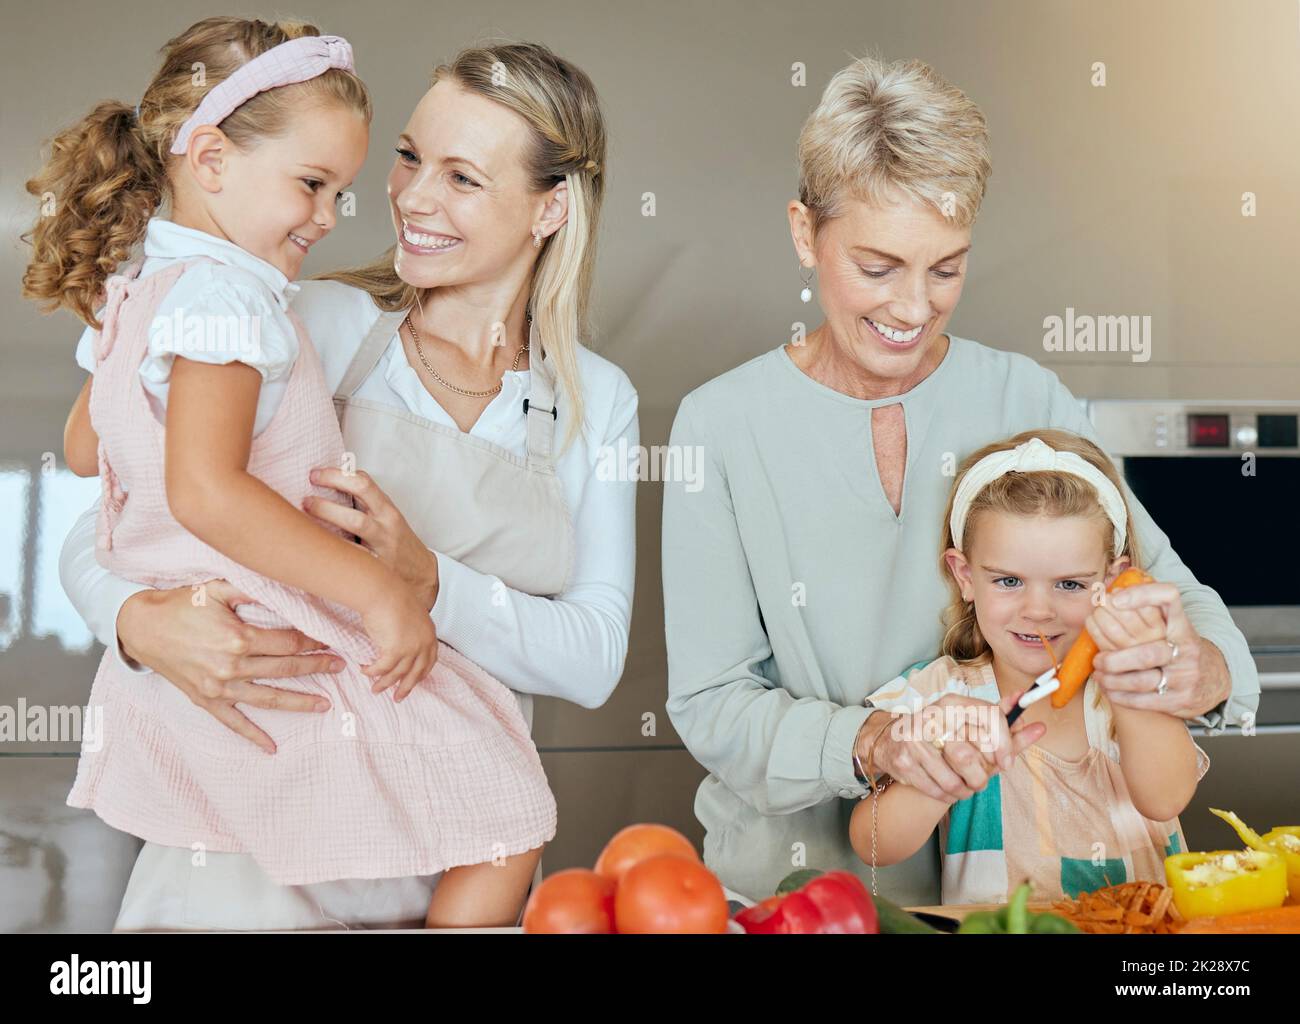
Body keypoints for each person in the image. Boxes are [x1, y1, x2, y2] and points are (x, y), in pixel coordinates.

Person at [48, 26, 636, 930]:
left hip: (438, 848)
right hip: (242, 853)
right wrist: (138, 625)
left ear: (549, 208)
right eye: (408, 159)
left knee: (509, 829)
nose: (411, 198)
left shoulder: (595, 401)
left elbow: (594, 660)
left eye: (463, 177)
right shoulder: (303, 314)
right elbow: (120, 506)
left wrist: (427, 586)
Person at [661, 55, 1258, 906]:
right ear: (805, 232)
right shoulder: (719, 425)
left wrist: (1204, 669)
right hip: (803, 899)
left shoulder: (1027, 397)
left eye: (946, 269)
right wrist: (879, 743)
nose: (913, 307)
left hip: (1046, 906)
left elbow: (1168, 589)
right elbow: (713, 704)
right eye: (878, 267)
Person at [851, 430, 1208, 903]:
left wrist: (1132, 688)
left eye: (1070, 585)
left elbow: (1166, 798)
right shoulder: (936, 692)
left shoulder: (1129, 683)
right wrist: (943, 774)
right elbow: (873, 844)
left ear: (1112, 582)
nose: (1038, 610)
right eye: (1009, 580)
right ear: (964, 577)